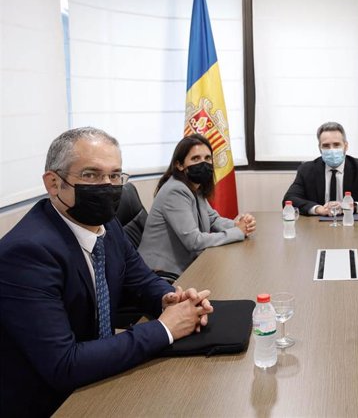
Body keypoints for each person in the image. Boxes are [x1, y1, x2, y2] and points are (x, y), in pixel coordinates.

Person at [0, 127, 214, 417]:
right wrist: (165, 328)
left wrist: (170, 300)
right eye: (90, 175)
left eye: (115, 175)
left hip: (101, 376)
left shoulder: (108, 225)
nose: (107, 185)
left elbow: (141, 280)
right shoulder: (26, 253)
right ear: (53, 183)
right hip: (52, 402)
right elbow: (64, 364)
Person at [138, 134, 256, 275]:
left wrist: (239, 225)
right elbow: (194, 241)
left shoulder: (194, 187)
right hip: (160, 274)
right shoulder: (175, 190)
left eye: (207, 158)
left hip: (186, 266)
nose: (203, 163)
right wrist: (237, 232)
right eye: (195, 159)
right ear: (179, 165)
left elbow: (213, 219)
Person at [283, 121, 358, 216]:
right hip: (317, 226)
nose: (332, 150)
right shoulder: (306, 169)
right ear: (319, 148)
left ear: (346, 146)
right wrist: (318, 209)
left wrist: (352, 207)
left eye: (336, 145)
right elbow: (289, 200)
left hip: (351, 224)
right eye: (326, 146)